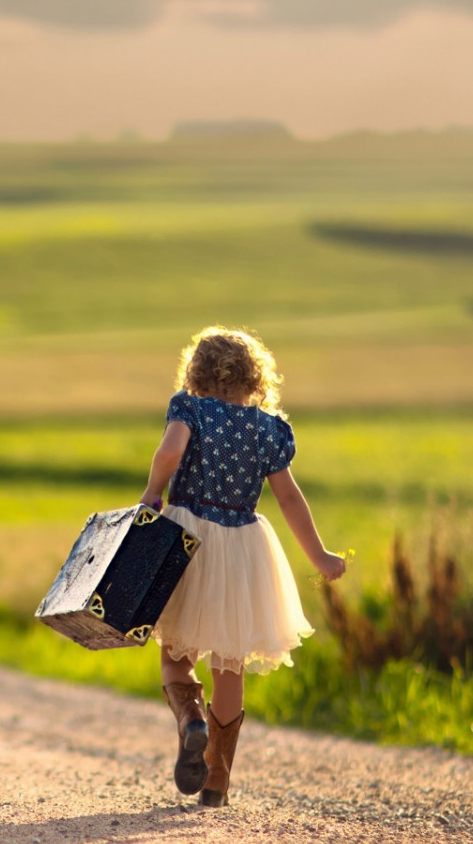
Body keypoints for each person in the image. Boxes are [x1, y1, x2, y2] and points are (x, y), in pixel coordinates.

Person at [137, 326, 346, 807]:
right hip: (243, 545)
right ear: (255, 377)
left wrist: (153, 490)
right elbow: (289, 498)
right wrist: (319, 556)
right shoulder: (267, 427)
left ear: (197, 373)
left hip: (187, 538)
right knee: (229, 664)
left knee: (175, 651)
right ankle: (217, 780)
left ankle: (190, 721)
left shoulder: (189, 407)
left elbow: (171, 449)